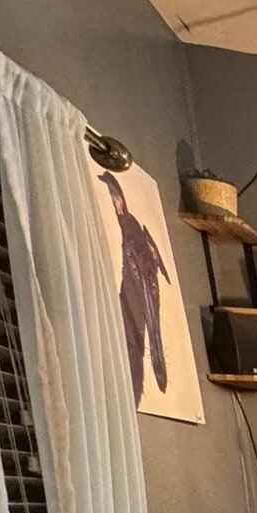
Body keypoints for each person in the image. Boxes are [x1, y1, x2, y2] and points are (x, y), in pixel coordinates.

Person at [99, 171, 172, 401]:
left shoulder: (134, 233)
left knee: (139, 333)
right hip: (132, 285)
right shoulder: (129, 230)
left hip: (139, 284)